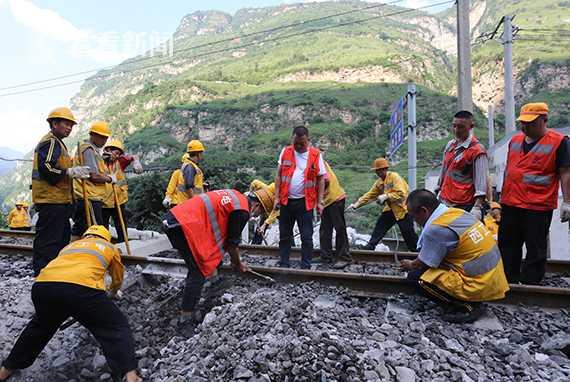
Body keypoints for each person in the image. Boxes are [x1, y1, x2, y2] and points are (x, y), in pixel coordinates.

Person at [0, 226, 141, 382]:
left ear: (85, 236)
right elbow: (117, 277)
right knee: (115, 327)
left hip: (43, 287)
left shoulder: (70, 246)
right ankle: (130, 375)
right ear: (106, 237)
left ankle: (6, 370)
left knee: (39, 329)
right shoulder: (109, 247)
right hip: (81, 290)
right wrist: (113, 292)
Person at [401, 189, 509, 323]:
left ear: (424, 211)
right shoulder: (456, 213)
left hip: (478, 283)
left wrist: (410, 265)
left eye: (413, 216)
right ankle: (467, 300)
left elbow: (424, 262)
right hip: (494, 278)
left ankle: (466, 307)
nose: (414, 220)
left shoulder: (437, 228)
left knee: (417, 278)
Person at [499, 102, 570, 284]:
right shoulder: (515, 141)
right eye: (523, 122)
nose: (525, 126)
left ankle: (531, 284)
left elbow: (565, 173)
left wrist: (567, 202)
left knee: (535, 248)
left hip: (537, 206)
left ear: (544, 120)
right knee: (508, 245)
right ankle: (509, 281)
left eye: (530, 122)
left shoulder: (559, 142)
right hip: (510, 203)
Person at [163, 189, 253, 317]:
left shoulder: (235, 196)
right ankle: (185, 317)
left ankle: (210, 289)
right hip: (182, 225)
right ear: (256, 205)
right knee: (198, 270)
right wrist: (238, 264)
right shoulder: (242, 211)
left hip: (175, 218)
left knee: (211, 260)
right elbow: (232, 245)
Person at [31, 107, 90, 276]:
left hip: (60, 201)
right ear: (54, 123)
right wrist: (70, 172)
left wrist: (73, 172)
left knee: (61, 239)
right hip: (51, 201)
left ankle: (54, 273)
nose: (69, 128)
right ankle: (43, 275)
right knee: (49, 241)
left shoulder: (58, 143)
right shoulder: (50, 142)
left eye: (71, 125)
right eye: (66, 124)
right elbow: (47, 167)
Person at [273, 126, 326, 269]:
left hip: (305, 202)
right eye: (296, 143)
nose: (299, 146)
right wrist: (276, 197)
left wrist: (320, 202)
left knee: (306, 237)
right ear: (292, 139)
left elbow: (321, 179)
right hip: (286, 201)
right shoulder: (286, 151)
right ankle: (284, 263)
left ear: (308, 140)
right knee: (285, 236)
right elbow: (278, 176)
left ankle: (306, 265)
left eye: (302, 143)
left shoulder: (315, 155)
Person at [348, 157, 418, 252]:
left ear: (385, 169)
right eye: (377, 171)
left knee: (408, 233)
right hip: (391, 209)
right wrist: (356, 204)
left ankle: (416, 252)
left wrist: (386, 196)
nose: (378, 173)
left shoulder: (394, 177)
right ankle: (370, 246)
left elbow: (401, 193)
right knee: (380, 226)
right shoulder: (379, 183)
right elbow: (369, 195)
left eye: (380, 170)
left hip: (404, 209)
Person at [437, 110, 488, 219]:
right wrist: (438, 189)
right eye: (454, 126)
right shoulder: (450, 145)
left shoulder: (477, 150)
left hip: (464, 204)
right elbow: (444, 171)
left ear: (471, 127)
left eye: (461, 127)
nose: (456, 130)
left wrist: (477, 207)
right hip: (445, 201)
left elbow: (481, 181)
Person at [71, 121, 116, 239]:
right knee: (95, 230)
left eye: (106, 138)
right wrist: (109, 178)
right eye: (102, 137)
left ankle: (75, 252)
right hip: (89, 197)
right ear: (93, 135)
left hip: (89, 196)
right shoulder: (88, 150)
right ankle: (84, 253)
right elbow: (94, 175)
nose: (105, 141)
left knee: (81, 228)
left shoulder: (92, 151)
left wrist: (103, 157)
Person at [101, 139, 143, 243]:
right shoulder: (98, 161)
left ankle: (123, 246)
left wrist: (136, 162)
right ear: (108, 150)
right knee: (102, 228)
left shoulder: (120, 161)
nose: (117, 155)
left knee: (121, 227)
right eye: (115, 152)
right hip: (103, 202)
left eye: (119, 154)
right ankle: (104, 246)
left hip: (118, 201)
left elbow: (133, 156)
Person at [320, 161, 352, 266]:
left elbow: (325, 180)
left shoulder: (315, 161)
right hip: (326, 201)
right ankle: (326, 256)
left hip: (334, 199)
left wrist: (317, 198)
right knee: (325, 228)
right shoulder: (312, 161)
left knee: (339, 228)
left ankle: (344, 257)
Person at [247, 179, 279, 245]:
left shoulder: (277, 202)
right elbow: (255, 182)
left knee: (286, 226)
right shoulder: (266, 189)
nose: (257, 215)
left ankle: (291, 245)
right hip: (268, 205)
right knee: (261, 227)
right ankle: (255, 245)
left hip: (284, 207)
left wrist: (264, 225)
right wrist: (252, 191)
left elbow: (275, 213)